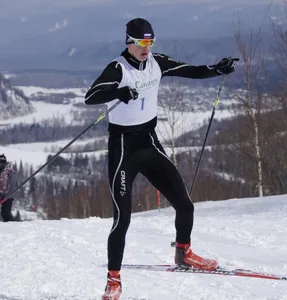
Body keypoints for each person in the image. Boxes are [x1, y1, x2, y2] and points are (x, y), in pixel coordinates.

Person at [84, 18, 239, 300]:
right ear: (128, 42)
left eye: (150, 42)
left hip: (149, 142)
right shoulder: (117, 68)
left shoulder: (158, 62)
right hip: (123, 148)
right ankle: (113, 280)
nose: (147, 48)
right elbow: (91, 96)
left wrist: (217, 69)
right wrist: (119, 91)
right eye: (142, 43)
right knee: (122, 219)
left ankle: (184, 253)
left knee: (185, 204)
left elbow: (190, 70)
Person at [0, 154, 16, 222]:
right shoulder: (9, 170)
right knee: (5, 213)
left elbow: (4, 188)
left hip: (6, 195)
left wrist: (2, 196)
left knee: (5, 214)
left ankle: (9, 226)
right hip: (9, 195)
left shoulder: (4, 171)